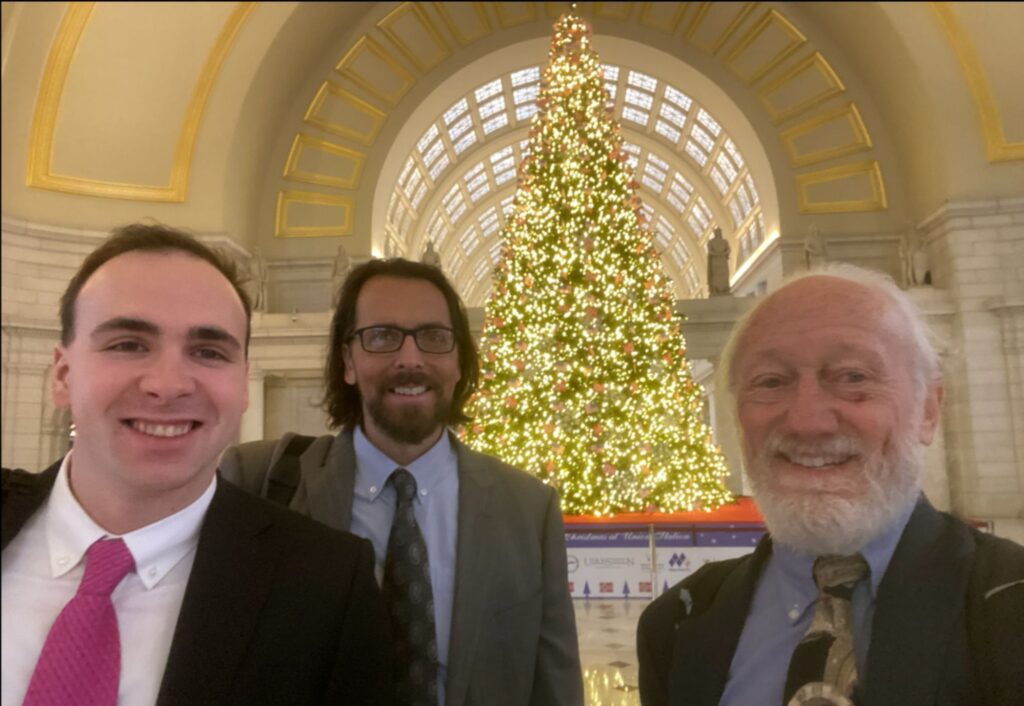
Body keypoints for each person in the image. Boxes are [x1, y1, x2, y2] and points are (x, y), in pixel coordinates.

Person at [1, 224, 391, 706]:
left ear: (244, 387)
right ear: (62, 375)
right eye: (128, 344)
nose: (168, 384)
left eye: (208, 352)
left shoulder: (328, 589)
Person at [637, 263, 1024, 706]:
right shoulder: (676, 625)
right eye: (771, 382)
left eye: (853, 377)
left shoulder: (1010, 609)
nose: (808, 421)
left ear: (928, 409)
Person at [221, 258, 584, 706]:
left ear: (458, 362)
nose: (410, 359)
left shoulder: (529, 509)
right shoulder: (259, 480)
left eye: (434, 337)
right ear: (347, 362)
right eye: (382, 337)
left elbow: (554, 685)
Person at [706, 227, 731, 296]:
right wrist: (718, 254)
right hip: (715, 261)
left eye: (719, 231)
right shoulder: (711, 242)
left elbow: (728, 250)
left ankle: (724, 289)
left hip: (723, 261)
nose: (718, 233)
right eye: (717, 231)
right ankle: (716, 290)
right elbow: (710, 251)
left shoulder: (724, 241)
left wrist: (723, 254)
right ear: (715, 233)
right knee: (716, 275)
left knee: (724, 275)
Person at [331, 244, 352, 309]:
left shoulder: (348, 258)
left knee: (343, 291)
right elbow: (334, 267)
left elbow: (349, 267)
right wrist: (333, 275)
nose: (341, 251)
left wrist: (345, 272)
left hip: (344, 277)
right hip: (337, 277)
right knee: (335, 291)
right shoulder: (336, 258)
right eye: (340, 250)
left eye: (342, 249)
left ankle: (343, 305)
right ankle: (334, 304)